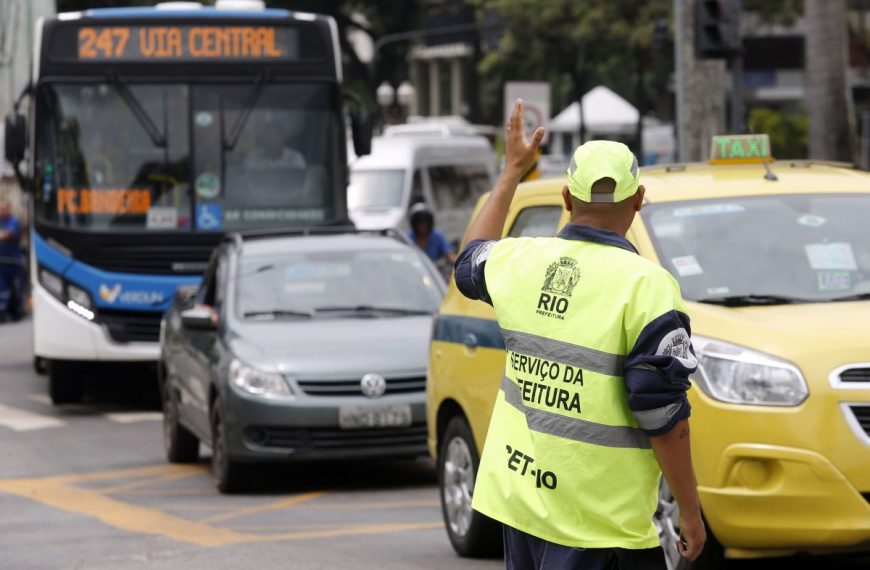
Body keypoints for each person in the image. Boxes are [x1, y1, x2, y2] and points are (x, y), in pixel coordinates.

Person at [453, 100, 705, 569]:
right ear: (639, 199)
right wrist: (689, 511)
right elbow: (661, 414)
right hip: (601, 527)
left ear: (566, 201)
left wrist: (511, 172)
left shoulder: (519, 261)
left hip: (522, 506)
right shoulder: (647, 287)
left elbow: (468, 263)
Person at [0, 201, 24, 321]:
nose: (2, 211)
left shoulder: (13, 221)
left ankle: (17, 312)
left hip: (13, 262)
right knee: (2, 288)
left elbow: (8, 234)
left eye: (4, 209)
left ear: (9, 209)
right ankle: (2, 313)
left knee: (15, 288)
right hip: (1, 263)